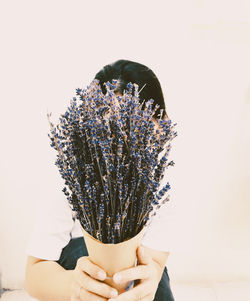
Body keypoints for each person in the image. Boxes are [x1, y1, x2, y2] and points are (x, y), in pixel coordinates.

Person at [25, 59, 176, 301]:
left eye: (139, 127)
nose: (125, 142)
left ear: (163, 124)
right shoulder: (71, 173)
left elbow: (156, 261)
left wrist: (150, 278)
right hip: (77, 274)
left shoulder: (164, 181)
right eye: (112, 128)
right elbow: (34, 274)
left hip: (136, 271)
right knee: (81, 248)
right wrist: (72, 286)